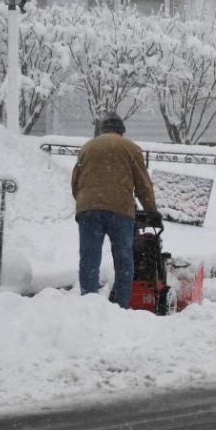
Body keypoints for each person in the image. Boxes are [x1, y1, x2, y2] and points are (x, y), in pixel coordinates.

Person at [70, 113, 158, 308]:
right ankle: (121, 306)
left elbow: (76, 182)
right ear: (121, 131)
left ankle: (88, 305)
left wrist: (88, 202)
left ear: (102, 129)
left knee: (89, 258)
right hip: (120, 210)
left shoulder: (87, 147)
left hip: (88, 210)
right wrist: (152, 211)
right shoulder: (130, 148)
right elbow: (143, 184)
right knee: (124, 258)